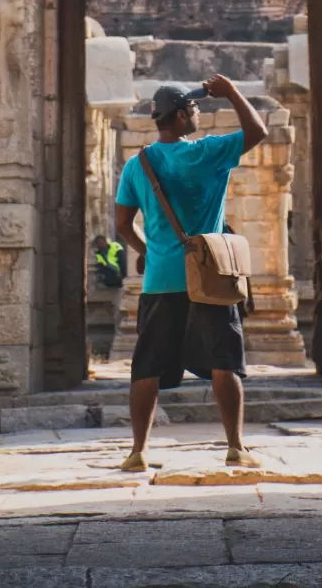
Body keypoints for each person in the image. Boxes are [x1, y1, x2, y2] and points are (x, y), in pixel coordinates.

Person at [114, 74, 268, 473]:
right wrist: (232, 92)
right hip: (209, 275)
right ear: (181, 116)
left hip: (161, 278)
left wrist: (147, 250)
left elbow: (122, 224)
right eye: (195, 108)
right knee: (224, 361)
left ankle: (137, 452)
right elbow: (258, 131)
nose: (198, 113)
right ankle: (235, 446)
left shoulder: (138, 164)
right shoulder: (209, 153)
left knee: (147, 365)